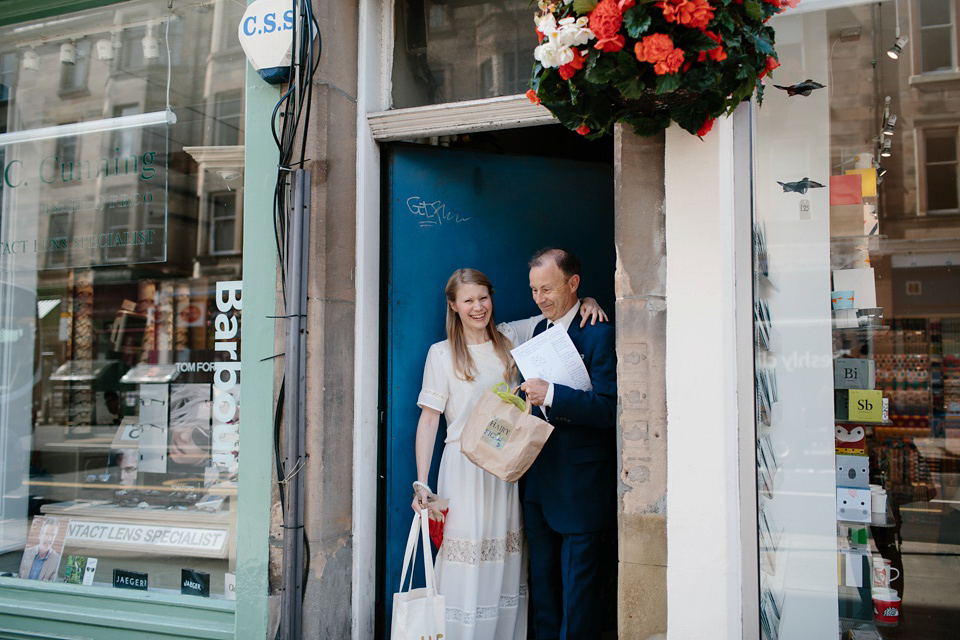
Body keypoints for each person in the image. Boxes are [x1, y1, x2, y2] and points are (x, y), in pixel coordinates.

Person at [412, 268, 606, 640]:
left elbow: (559, 313)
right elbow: (429, 422)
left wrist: (589, 302)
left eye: (483, 297)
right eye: (468, 300)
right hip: (464, 472)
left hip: (507, 469)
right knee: (466, 563)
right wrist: (422, 484)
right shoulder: (441, 354)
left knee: (503, 561)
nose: (478, 307)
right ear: (453, 306)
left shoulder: (510, 337)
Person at [519, 248, 617, 640]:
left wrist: (554, 395)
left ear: (573, 284)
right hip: (539, 482)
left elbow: (610, 410)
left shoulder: (599, 332)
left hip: (581, 486)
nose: (540, 298)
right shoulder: (539, 332)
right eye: (534, 290)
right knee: (543, 589)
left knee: (579, 595)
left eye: (548, 289)